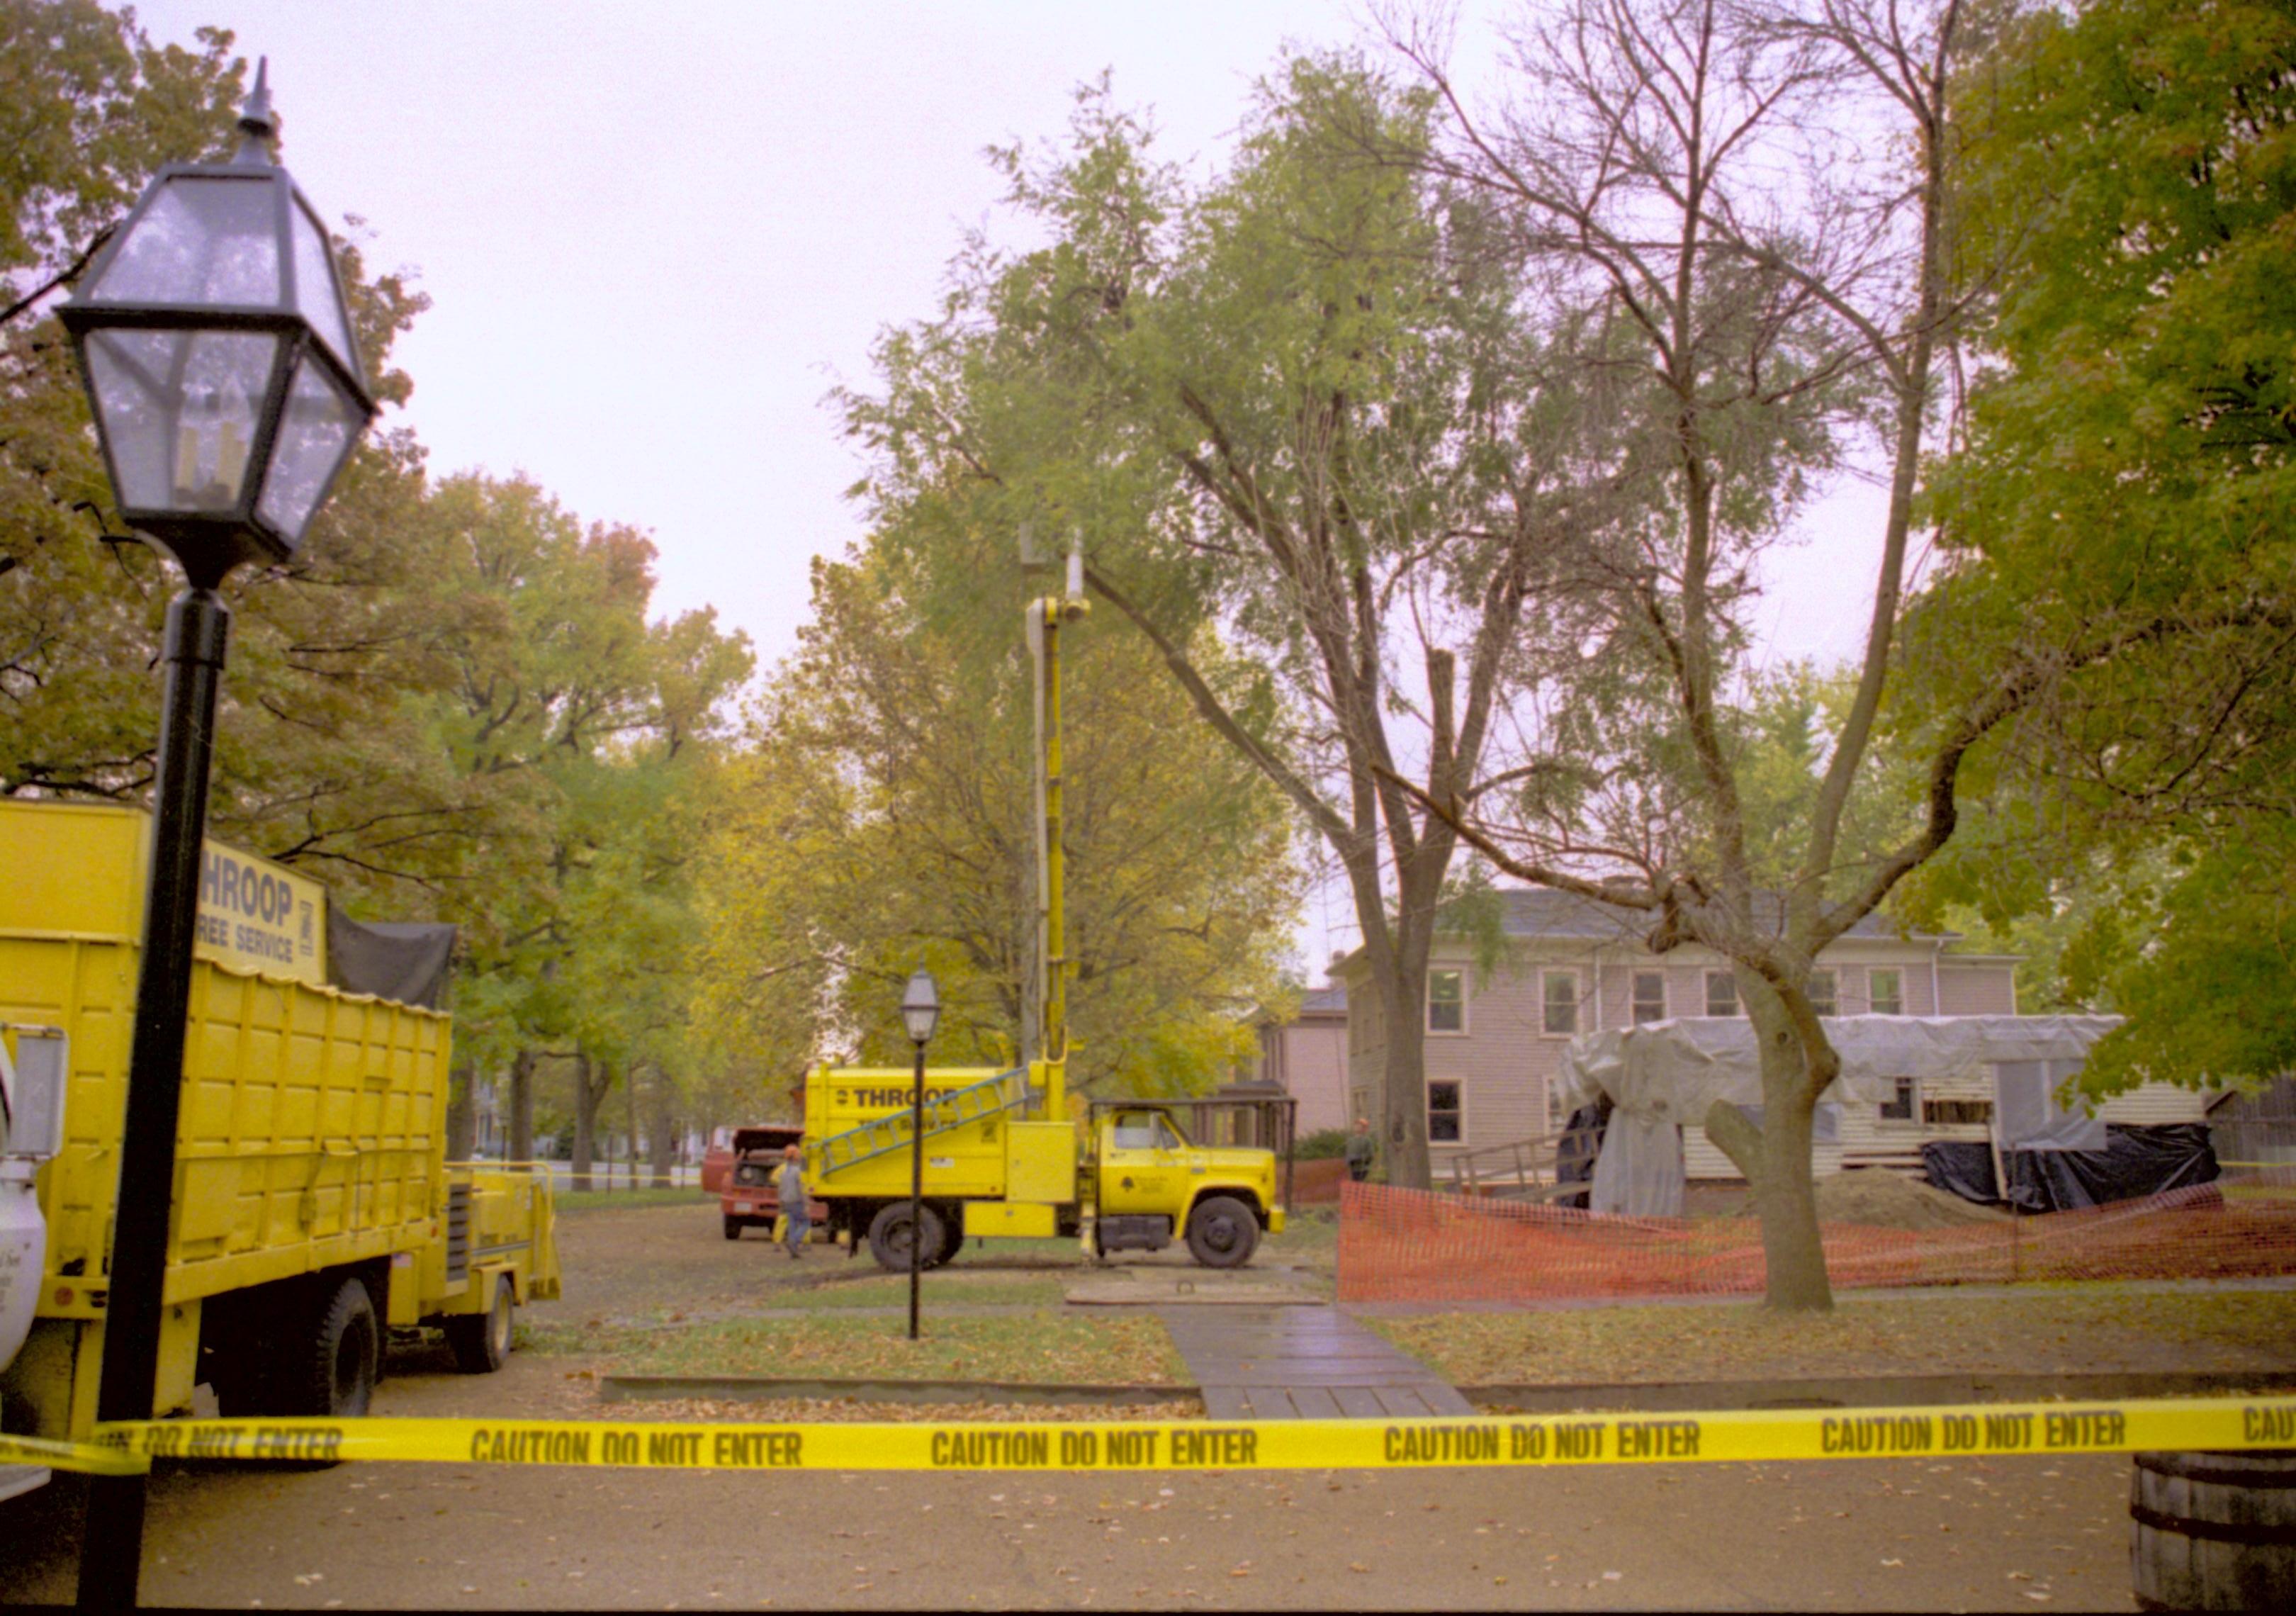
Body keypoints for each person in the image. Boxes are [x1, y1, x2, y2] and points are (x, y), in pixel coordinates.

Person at [775, 1143, 809, 1258]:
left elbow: (781, 1188)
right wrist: (806, 1204)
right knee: (806, 1223)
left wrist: (781, 1202)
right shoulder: (798, 1172)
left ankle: (793, 1252)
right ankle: (794, 1241)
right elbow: (802, 1189)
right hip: (796, 1202)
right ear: (796, 1156)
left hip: (786, 1202)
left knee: (792, 1225)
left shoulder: (784, 1172)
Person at [1344, 1116, 1375, 1183]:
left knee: (1362, 1186)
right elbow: (1347, 1153)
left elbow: (1371, 1155)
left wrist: (1358, 1158)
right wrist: (1348, 1160)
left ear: (1365, 1129)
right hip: (1353, 1169)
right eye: (1356, 1125)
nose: (1358, 1127)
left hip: (1363, 1169)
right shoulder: (1350, 1140)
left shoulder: (1367, 1140)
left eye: (1360, 1125)